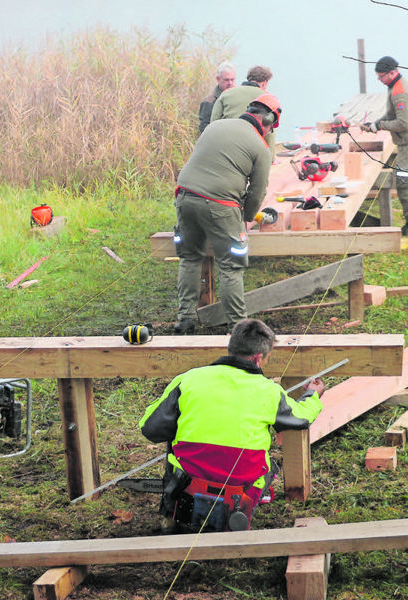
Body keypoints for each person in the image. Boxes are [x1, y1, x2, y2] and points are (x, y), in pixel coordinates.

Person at [139, 318, 325, 532]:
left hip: (189, 483)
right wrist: (313, 394)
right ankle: (238, 514)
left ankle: (172, 516)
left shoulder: (189, 379)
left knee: (175, 443)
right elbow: (301, 417)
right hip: (240, 490)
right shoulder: (269, 391)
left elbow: (150, 428)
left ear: (230, 345)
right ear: (258, 358)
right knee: (268, 465)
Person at [173, 94, 279, 334]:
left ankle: (185, 320)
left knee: (189, 258)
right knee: (231, 266)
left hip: (185, 196)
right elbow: (258, 191)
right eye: (272, 128)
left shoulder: (214, 126)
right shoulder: (260, 147)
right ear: (268, 120)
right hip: (221, 204)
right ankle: (238, 328)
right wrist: (247, 218)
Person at [361, 55, 408, 237]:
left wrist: (380, 126)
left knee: (405, 184)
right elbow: (391, 113)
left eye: (381, 76)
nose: (379, 79)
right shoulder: (395, 85)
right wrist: (375, 124)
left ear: (392, 73)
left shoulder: (399, 92)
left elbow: (403, 123)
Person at [208, 65, 276, 152]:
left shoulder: (226, 93)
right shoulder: (267, 97)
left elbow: (213, 123)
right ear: (264, 83)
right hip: (251, 149)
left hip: (225, 147)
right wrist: (272, 157)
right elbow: (270, 133)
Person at [198, 62, 237, 135]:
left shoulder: (240, 96)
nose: (230, 83)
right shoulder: (209, 102)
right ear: (218, 79)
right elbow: (204, 128)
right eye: (226, 80)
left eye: (232, 79)